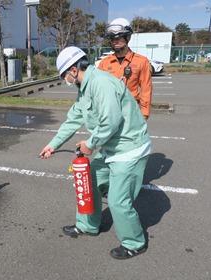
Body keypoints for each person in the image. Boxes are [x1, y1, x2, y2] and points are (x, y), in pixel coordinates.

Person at [39, 46, 151, 260]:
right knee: (89, 183)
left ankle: (135, 242)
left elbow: (111, 121)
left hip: (129, 149)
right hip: (111, 148)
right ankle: (88, 225)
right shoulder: (84, 88)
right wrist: (53, 144)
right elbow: (73, 119)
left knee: (118, 201)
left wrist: (90, 144)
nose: (65, 80)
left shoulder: (101, 83)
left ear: (73, 70)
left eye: (64, 75)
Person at [97, 18, 152, 120]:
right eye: (112, 38)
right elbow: (98, 90)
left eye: (118, 37)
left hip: (131, 113)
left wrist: (144, 114)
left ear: (127, 37)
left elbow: (146, 89)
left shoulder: (141, 61)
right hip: (109, 114)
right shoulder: (104, 63)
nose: (115, 41)